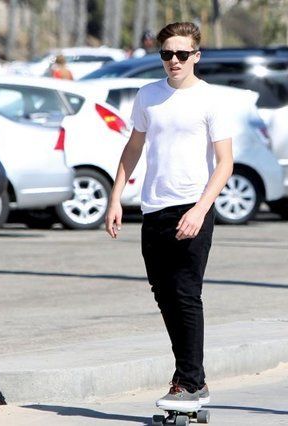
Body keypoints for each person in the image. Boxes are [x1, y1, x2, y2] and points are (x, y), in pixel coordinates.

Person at [104, 22, 233, 412]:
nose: (174, 61)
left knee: (185, 294)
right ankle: (192, 379)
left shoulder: (211, 99)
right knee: (164, 295)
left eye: (181, 54)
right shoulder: (148, 95)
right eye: (166, 54)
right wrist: (115, 198)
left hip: (193, 207)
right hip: (153, 208)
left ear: (196, 56)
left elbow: (225, 163)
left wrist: (200, 209)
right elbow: (133, 148)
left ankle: (189, 383)